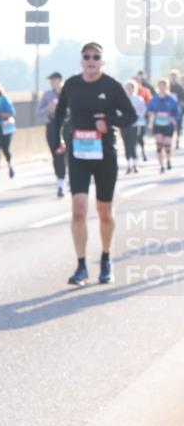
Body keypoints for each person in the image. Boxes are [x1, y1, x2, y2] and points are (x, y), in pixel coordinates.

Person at [53, 42, 136, 286]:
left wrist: (109, 122)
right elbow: (59, 114)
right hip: (78, 154)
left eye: (96, 57)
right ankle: (80, 266)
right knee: (78, 209)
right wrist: (56, 140)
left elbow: (130, 116)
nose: (91, 60)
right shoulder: (72, 84)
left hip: (105, 155)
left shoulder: (111, 86)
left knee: (104, 212)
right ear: (81, 60)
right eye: (87, 56)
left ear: (102, 62)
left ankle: (106, 258)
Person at [37, 72, 68, 196]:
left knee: (69, 154)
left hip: (67, 126)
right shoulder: (47, 95)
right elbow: (38, 112)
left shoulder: (68, 93)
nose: (52, 83)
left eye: (54, 80)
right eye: (50, 80)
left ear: (60, 80)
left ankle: (69, 178)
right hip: (52, 126)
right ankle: (60, 183)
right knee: (57, 155)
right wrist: (48, 109)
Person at [146, 78, 180, 173]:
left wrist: (171, 117)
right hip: (157, 124)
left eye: (163, 86)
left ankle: (168, 160)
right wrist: (153, 114)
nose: (162, 88)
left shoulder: (171, 99)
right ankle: (161, 165)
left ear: (166, 87)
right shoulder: (154, 99)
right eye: (160, 86)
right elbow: (148, 110)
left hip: (168, 125)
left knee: (167, 145)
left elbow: (177, 112)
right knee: (159, 145)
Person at [122, 80, 146, 175]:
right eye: (127, 88)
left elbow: (142, 110)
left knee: (133, 144)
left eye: (131, 88)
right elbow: (118, 111)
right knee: (126, 145)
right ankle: (128, 164)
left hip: (134, 124)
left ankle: (135, 164)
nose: (129, 90)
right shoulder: (122, 99)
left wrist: (137, 117)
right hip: (124, 124)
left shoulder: (138, 99)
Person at [169, 69, 184, 150]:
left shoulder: (179, 87)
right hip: (169, 108)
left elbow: (182, 98)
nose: (173, 78)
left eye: (175, 76)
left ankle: (177, 140)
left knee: (178, 124)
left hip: (178, 107)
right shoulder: (168, 86)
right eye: (172, 76)